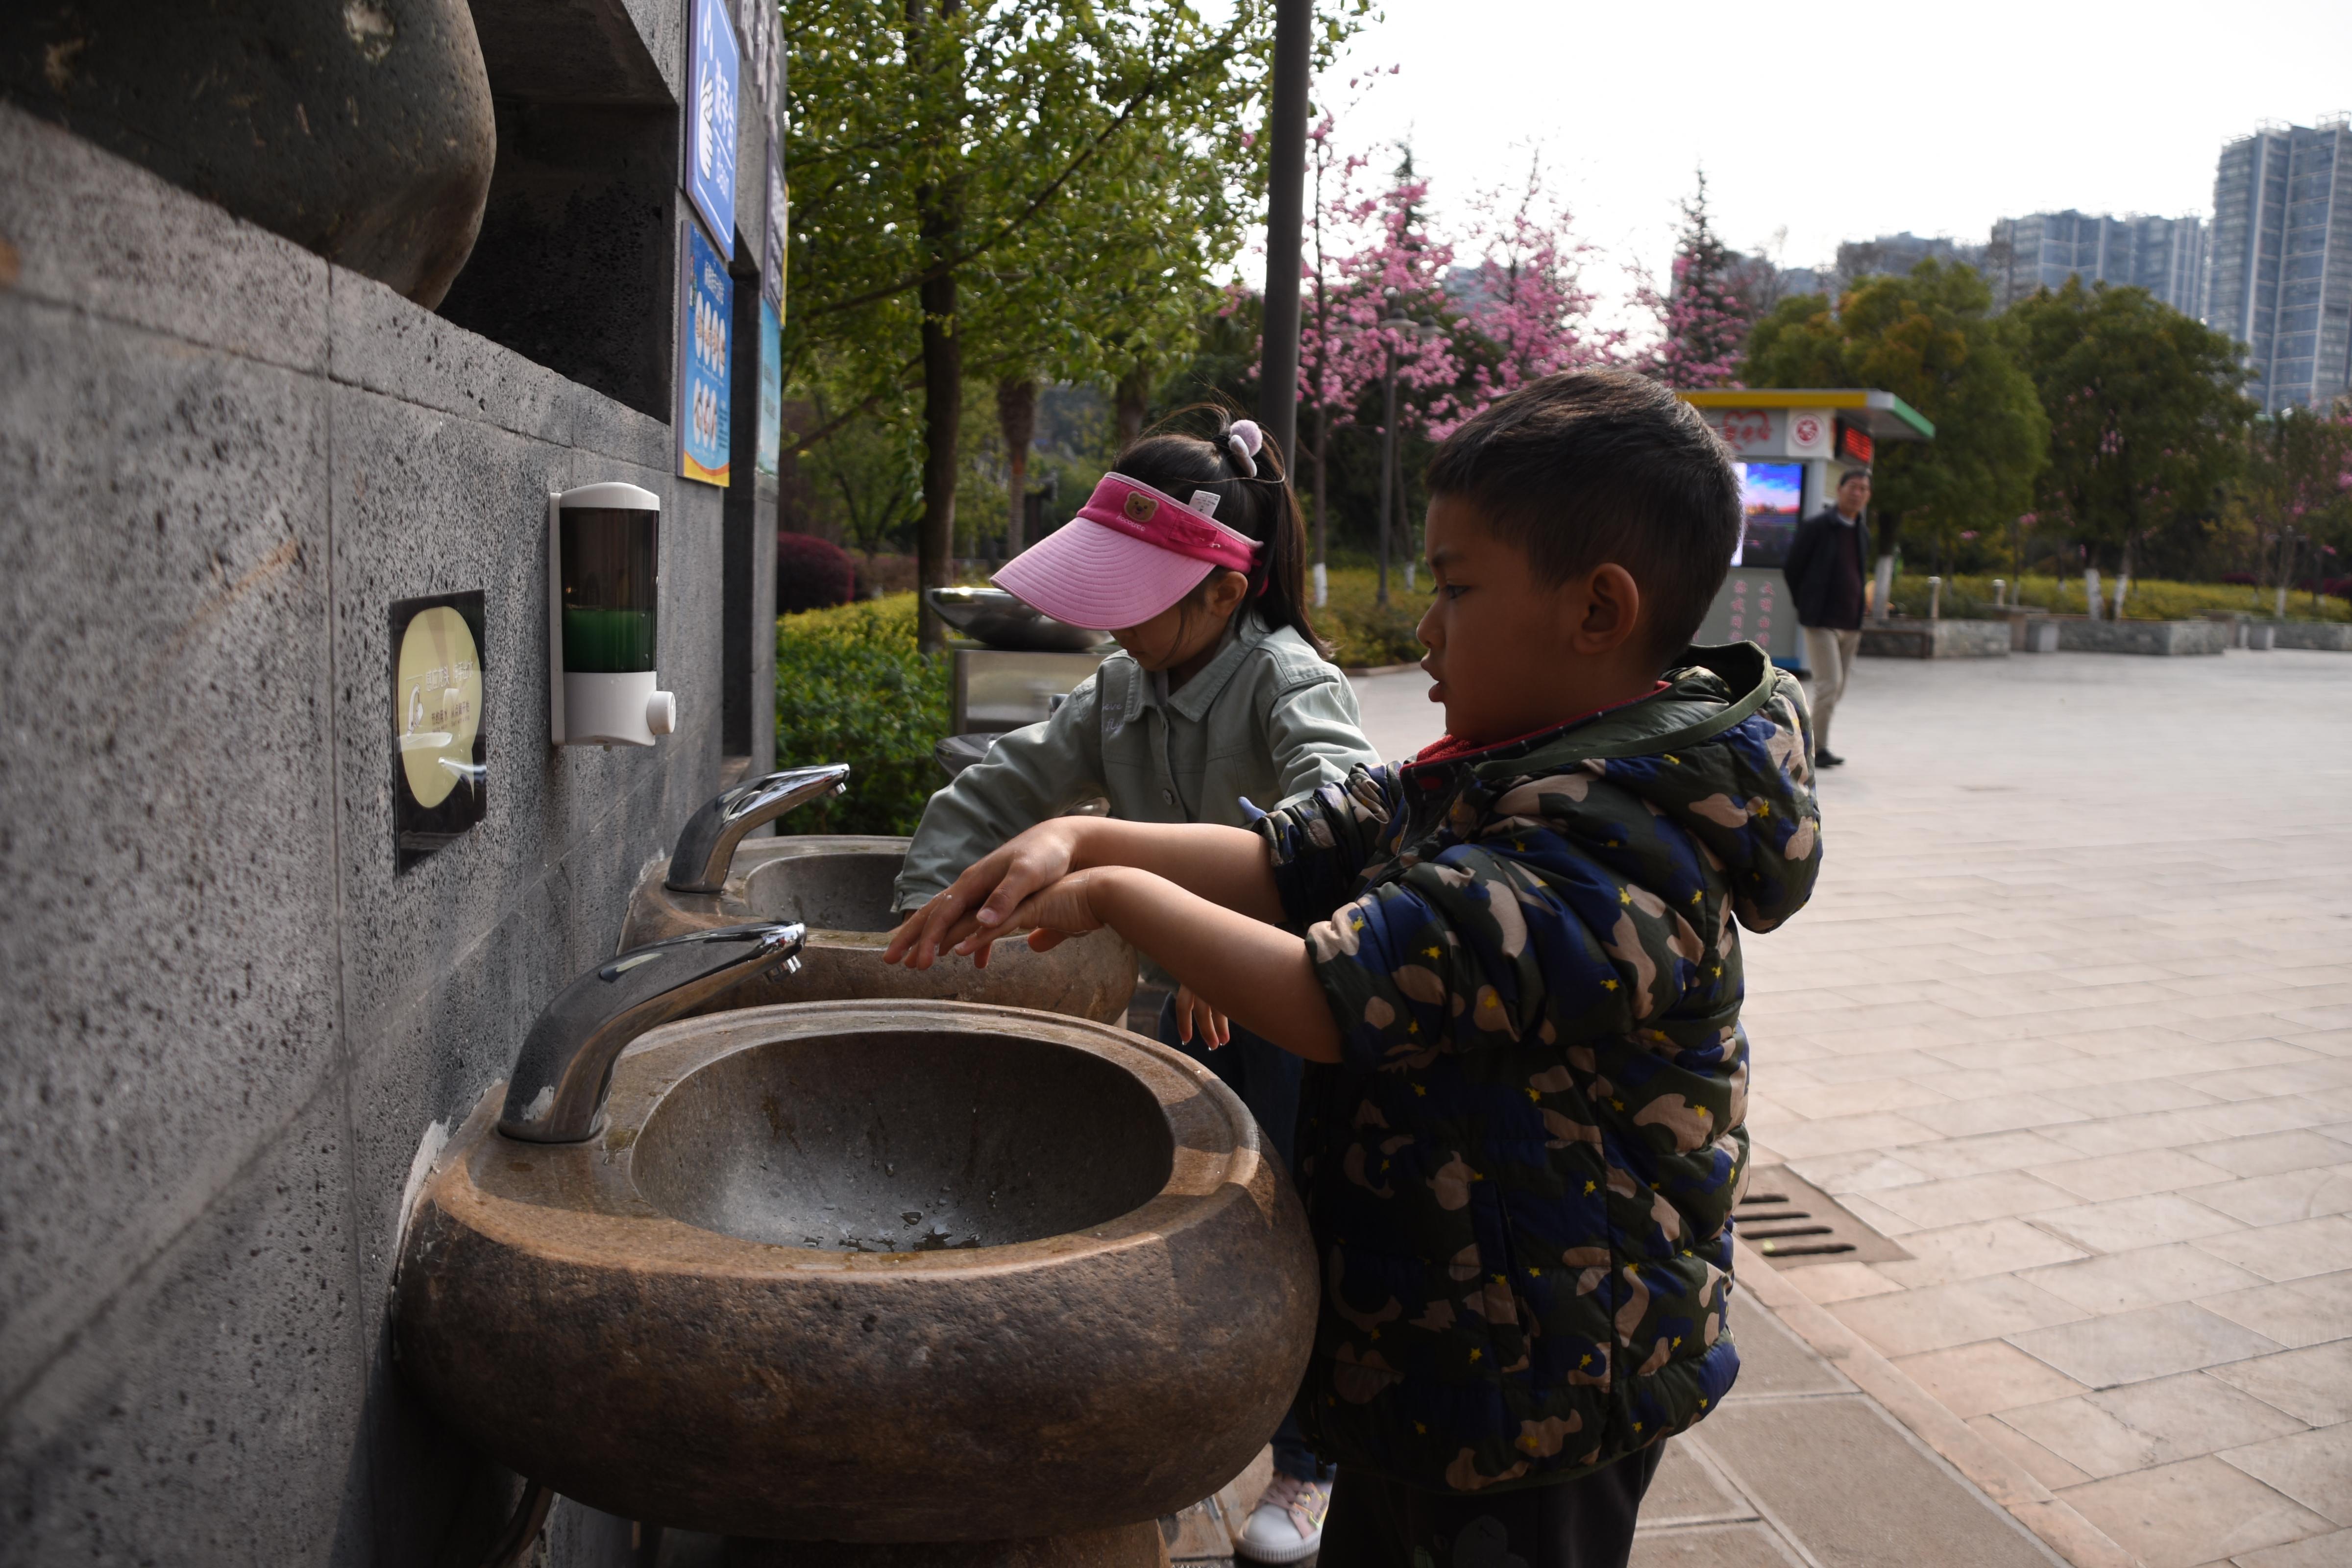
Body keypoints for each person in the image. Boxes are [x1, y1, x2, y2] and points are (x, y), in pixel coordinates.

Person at [885, 371, 1824, 1568]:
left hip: (1541, 1377)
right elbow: (1294, 850)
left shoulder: (1614, 847)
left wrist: (1119, 893)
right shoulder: (1492, 770)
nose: (1423, 629)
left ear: (1595, 612)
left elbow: (1338, 993)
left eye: (1453, 587)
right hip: (1442, 1343)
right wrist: (1090, 833)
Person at [893, 409, 1380, 1560]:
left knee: (1299, 1226)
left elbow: (1347, 821)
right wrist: (912, 919)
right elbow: (998, 790)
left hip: (1287, 1006)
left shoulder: (1284, 679)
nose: (1106, 619)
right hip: (1177, 1014)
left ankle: (1306, 1462)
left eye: (1133, 591)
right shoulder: (1121, 686)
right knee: (1178, 1217)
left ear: (1220, 593)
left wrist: (1216, 931)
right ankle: (1188, 1433)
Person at [1780, 467, 1872, 767]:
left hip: (1851, 623)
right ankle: (1816, 747)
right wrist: (1805, 606)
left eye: (1864, 489)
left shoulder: (1861, 531)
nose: (1858, 493)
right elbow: (1793, 568)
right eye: (1853, 487)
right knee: (1828, 685)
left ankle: (1806, 739)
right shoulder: (1818, 527)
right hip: (1822, 621)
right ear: (1840, 490)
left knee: (1837, 689)